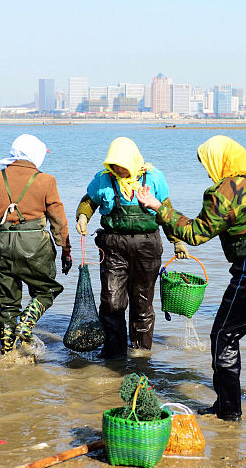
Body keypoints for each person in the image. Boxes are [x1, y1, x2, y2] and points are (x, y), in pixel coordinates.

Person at [137, 136, 246, 419]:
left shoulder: (226, 190)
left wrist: (158, 207)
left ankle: (228, 410)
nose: (206, 170)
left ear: (218, 160)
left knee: (224, 336)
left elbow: (195, 234)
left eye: (206, 163)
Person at [75, 137, 185, 359]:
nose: (118, 169)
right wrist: (82, 217)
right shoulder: (103, 180)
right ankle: (114, 354)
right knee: (111, 302)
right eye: (114, 164)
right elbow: (89, 201)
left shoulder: (153, 177)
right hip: (113, 247)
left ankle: (140, 353)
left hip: (147, 246)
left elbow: (166, 209)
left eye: (122, 165)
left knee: (142, 302)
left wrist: (177, 240)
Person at [0, 134, 71, 353]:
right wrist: (65, 249)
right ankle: (27, 321)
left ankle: (7, 351)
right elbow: (58, 218)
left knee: (6, 304)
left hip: (0, 246)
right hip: (35, 245)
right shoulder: (47, 180)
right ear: (34, 155)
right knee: (47, 290)